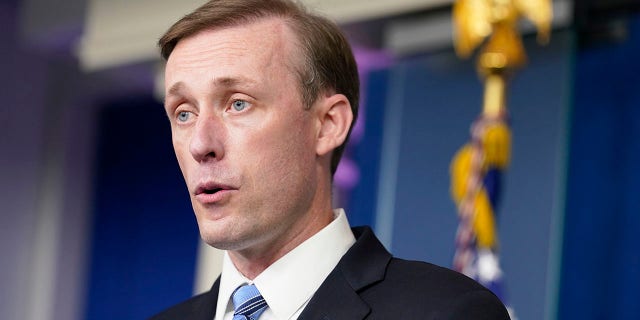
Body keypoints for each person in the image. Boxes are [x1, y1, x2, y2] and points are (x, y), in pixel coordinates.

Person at [150, 0, 511, 319]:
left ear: (328, 124)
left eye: (238, 103)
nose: (200, 144)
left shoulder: (448, 311)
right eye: (183, 113)